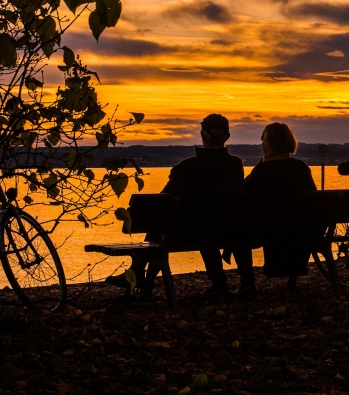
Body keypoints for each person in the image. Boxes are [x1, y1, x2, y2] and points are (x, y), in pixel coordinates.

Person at [106, 114, 254, 296]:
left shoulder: (187, 166)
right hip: (227, 231)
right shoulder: (235, 165)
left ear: (202, 135)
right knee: (194, 224)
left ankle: (140, 276)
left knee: (161, 220)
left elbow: (162, 200)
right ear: (228, 137)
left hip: (190, 233)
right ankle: (220, 283)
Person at [243, 122, 318, 278]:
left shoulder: (262, 171)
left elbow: (244, 192)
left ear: (269, 143)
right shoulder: (301, 167)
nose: (262, 144)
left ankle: (247, 282)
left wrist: (259, 166)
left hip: (270, 230)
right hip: (302, 231)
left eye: (263, 140)